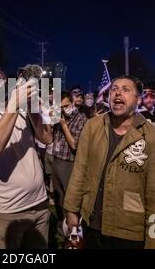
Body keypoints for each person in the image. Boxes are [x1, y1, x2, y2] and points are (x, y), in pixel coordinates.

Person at [64, 75, 155, 249]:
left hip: (130, 233)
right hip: (92, 226)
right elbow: (80, 171)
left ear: (138, 100)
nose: (117, 93)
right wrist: (71, 210)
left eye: (125, 89)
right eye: (114, 89)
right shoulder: (93, 127)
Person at [0, 62, 53, 249]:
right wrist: (14, 105)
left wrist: (32, 108)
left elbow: (47, 137)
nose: (0, 87)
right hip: (7, 211)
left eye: (1, 80)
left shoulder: (23, 108)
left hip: (39, 203)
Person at [52, 91, 86, 233]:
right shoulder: (59, 117)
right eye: (60, 107)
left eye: (65, 106)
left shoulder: (81, 119)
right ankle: (63, 224)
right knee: (58, 196)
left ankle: (75, 228)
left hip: (69, 162)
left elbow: (75, 145)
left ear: (72, 103)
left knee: (69, 197)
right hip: (57, 160)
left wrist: (64, 125)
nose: (63, 110)